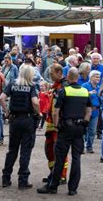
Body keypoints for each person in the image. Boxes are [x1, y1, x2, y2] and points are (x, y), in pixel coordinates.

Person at [37, 68, 92, 196]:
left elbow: (56, 111)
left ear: (68, 77)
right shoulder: (85, 91)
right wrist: (85, 122)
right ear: (77, 78)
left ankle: (53, 186)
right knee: (76, 158)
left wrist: (56, 126)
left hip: (65, 127)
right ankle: (72, 189)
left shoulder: (64, 91)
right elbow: (89, 110)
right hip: (79, 128)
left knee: (60, 157)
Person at [0, 64, 40, 189]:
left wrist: (6, 112)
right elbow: (35, 102)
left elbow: (2, 98)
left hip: (15, 119)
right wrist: (38, 113)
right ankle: (23, 180)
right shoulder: (31, 86)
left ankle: (6, 178)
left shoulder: (12, 84)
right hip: (27, 120)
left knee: (12, 150)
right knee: (25, 151)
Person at [42, 64, 69, 185]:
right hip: (51, 123)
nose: (50, 76)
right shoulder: (56, 86)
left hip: (58, 124)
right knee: (49, 149)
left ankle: (61, 175)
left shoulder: (64, 86)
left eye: (52, 74)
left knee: (59, 150)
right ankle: (53, 172)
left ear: (59, 73)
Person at [82, 70, 101, 154]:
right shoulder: (85, 86)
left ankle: (89, 146)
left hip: (95, 111)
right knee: (83, 130)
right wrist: (88, 93)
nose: (98, 78)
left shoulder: (99, 87)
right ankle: (81, 147)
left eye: (99, 77)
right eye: (96, 76)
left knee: (92, 131)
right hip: (85, 111)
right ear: (91, 77)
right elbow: (80, 97)